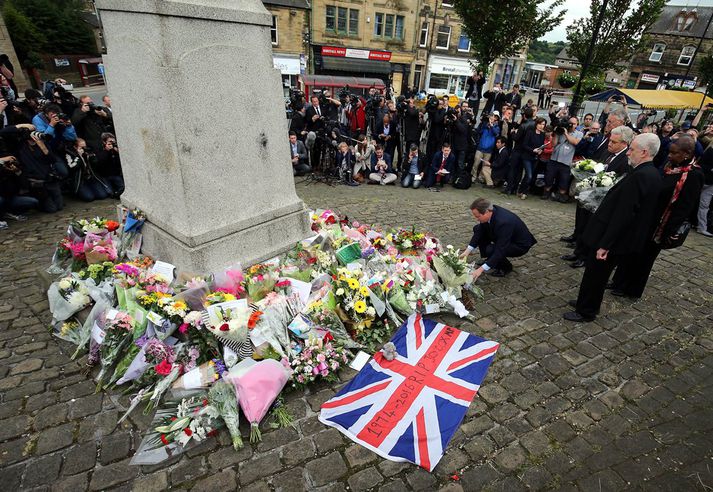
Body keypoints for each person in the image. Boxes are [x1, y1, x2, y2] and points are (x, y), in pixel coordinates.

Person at [564, 133, 662, 322]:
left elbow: (624, 214)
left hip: (614, 238)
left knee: (596, 274)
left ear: (643, 152)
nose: (628, 153)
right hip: (620, 236)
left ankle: (586, 310)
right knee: (595, 273)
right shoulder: (651, 173)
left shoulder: (641, 176)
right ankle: (584, 302)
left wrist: (606, 244)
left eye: (631, 149)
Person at [609, 135, 704, 299]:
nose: (670, 156)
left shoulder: (693, 175)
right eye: (670, 152)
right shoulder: (671, 166)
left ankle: (631, 289)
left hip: (662, 224)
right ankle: (619, 281)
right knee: (630, 250)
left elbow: (685, 207)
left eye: (674, 153)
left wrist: (670, 230)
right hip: (648, 217)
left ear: (687, 154)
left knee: (644, 258)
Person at [562, 125, 634, 268]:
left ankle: (585, 256)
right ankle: (578, 252)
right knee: (582, 224)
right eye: (610, 140)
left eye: (614, 142)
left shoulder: (626, 160)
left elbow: (618, 181)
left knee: (591, 228)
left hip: (603, 201)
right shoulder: (607, 152)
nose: (610, 144)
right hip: (591, 195)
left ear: (624, 144)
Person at [461, 197, 537, 278]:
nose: (477, 219)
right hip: (504, 236)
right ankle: (490, 259)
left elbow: (501, 248)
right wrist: (466, 252)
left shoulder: (504, 222)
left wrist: (480, 270)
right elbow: (480, 231)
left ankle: (506, 267)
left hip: (519, 245)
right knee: (477, 228)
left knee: (491, 249)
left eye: (478, 216)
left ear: (486, 212)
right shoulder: (491, 211)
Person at [541, 116, 582, 202]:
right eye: (570, 123)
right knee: (549, 177)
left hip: (566, 162)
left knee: (564, 181)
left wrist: (566, 134)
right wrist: (556, 133)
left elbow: (575, 142)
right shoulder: (560, 131)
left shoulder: (579, 133)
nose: (571, 125)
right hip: (554, 159)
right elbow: (554, 144)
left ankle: (561, 195)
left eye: (574, 124)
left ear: (577, 124)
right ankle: (546, 192)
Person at [505, 106, 535, 195]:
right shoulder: (534, 125)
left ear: (524, 115)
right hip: (526, 151)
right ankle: (514, 188)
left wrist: (513, 132)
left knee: (513, 169)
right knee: (520, 170)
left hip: (518, 149)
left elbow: (516, 138)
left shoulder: (523, 126)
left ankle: (509, 188)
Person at [516, 117, 547, 199]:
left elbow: (541, 146)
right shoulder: (530, 132)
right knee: (529, 175)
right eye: (540, 124)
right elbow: (524, 145)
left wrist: (541, 150)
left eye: (543, 124)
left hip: (535, 158)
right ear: (536, 124)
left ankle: (520, 190)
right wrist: (533, 150)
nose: (541, 126)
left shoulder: (542, 134)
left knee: (528, 176)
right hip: (527, 157)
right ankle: (524, 192)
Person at [473, 113, 499, 184]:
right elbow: (478, 132)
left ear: (495, 118)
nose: (490, 118)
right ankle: (473, 177)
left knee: (484, 165)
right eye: (490, 116)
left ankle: (481, 178)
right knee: (476, 163)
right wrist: (485, 125)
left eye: (492, 117)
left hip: (488, 150)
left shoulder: (496, 126)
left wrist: (491, 126)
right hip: (480, 148)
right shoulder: (484, 124)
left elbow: (496, 133)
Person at [95, 133, 124, 197]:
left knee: (123, 188)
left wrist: (118, 153)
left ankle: (116, 193)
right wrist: (107, 151)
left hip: (115, 174)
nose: (112, 144)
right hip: (105, 175)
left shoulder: (115, 149)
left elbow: (119, 163)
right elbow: (101, 163)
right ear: (104, 142)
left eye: (113, 142)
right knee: (109, 193)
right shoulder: (99, 150)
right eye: (110, 142)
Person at [696, 146, 713, 237]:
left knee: (704, 205)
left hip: (711, 184)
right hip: (702, 180)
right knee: (689, 200)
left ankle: (702, 227)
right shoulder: (710, 151)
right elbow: (700, 165)